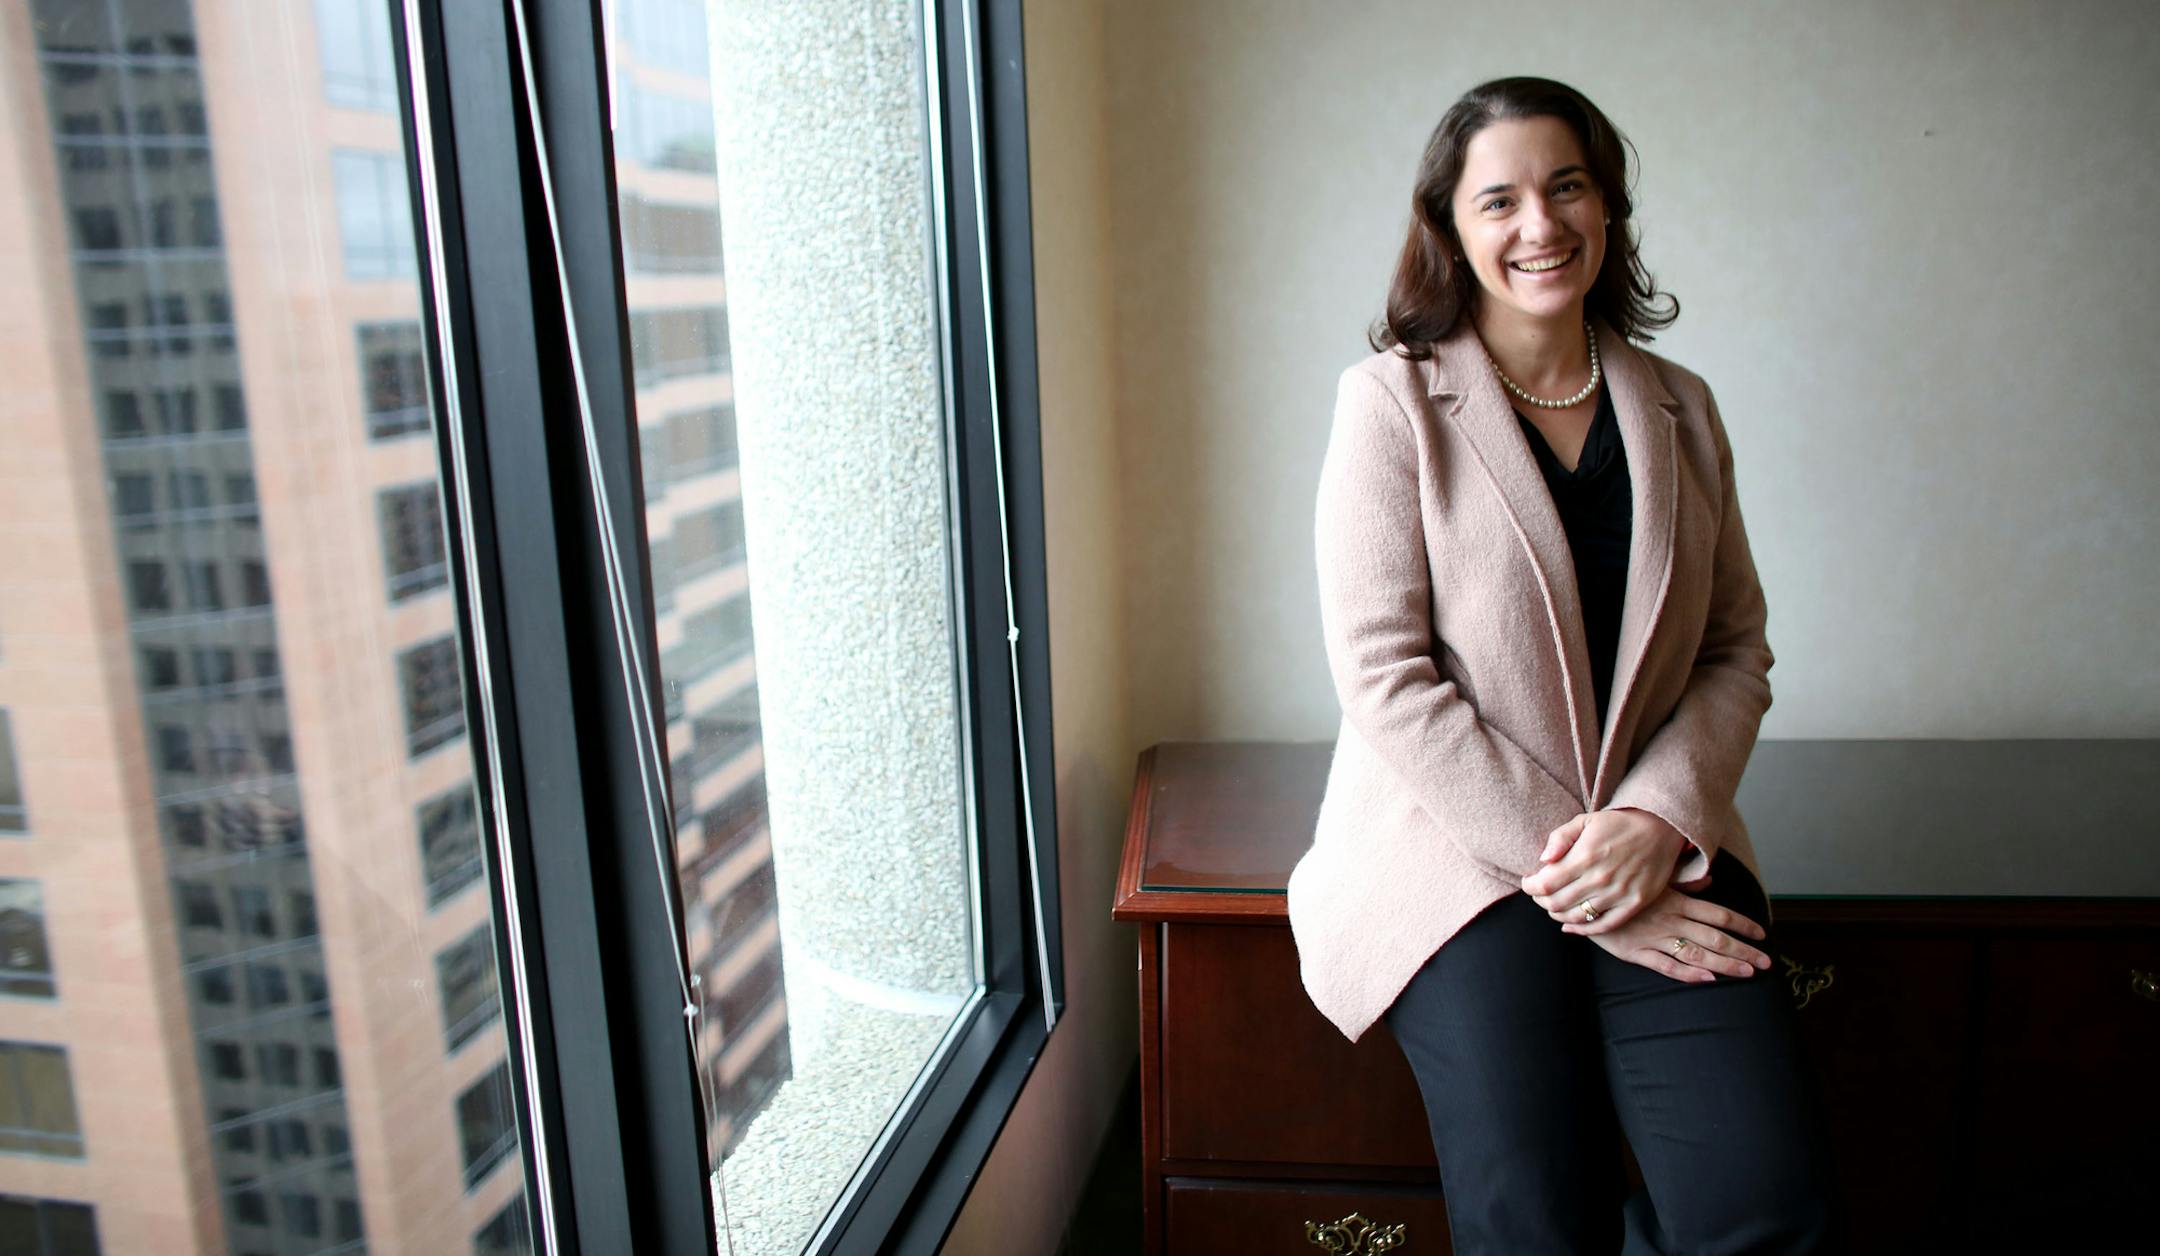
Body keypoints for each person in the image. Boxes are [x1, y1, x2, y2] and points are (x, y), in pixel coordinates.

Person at [1284, 76, 1840, 1253]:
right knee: (1537, 1214)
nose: (1540, 224)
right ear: (1451, 228)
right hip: (1457, 856)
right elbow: (1385, 676)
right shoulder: (1392, 402)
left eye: (1568, 186)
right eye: (1500, 199)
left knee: (1763, 1199)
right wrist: (1581, 878)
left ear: (1609, 207)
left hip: (1658, 841)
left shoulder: (1682, 406)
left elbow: (1737, 648)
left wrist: (1651, 824)